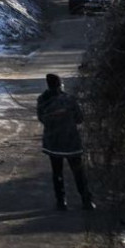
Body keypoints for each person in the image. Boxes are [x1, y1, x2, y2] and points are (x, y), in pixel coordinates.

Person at [37, 72, 95, 211]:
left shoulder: (43, 100)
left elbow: (42, 119)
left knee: (57, 173)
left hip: (53, 143)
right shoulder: (69, 99)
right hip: (71, 142)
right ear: (60, 85)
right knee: (78, 172)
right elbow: (80, 118)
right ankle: (86, 200)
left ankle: (61, 201)